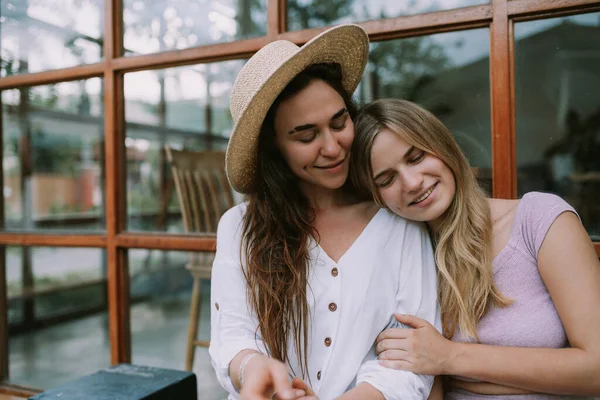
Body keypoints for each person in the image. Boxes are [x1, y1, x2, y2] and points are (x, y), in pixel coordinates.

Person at [209, 26, 441, 400]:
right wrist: (254, 367)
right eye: (306, 136)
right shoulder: (239, 227)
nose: (333, 148)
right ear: (274, 148)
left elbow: (411, 359)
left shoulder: (398, 221)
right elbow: (232, 337)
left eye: (339, 122)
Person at [350, 98, 600, 399]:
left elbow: (596, 368)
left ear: (442, 146)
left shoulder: (540, 221)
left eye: (416, 157)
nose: (412, 182)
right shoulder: (404, 261)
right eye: (387, 179)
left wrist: (450, 358)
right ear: (377, 197)